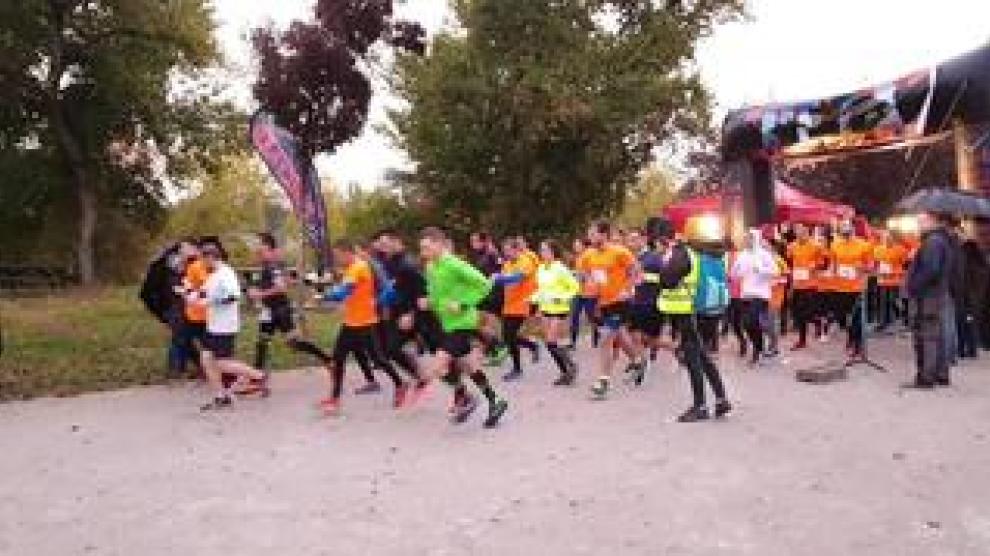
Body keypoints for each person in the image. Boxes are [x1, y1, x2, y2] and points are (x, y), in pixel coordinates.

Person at [420, 227, 509, 428]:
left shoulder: (455, 264)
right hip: (445, 324)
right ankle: (495, 402)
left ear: (439, 244)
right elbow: (435, 292)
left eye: (426, 248)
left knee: (438, 366)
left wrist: (462, 304)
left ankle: (465, 397)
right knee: (469, 366)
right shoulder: (430, 267)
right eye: (422, 249)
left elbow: (484, 285)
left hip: (462, 323)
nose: (423, 253)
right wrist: (430, 301)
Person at [653, 218, 732, 423]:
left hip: (688, 311)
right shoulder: (715, 252)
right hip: (708, 309)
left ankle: (700, 406)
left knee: (693, 357)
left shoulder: (685, 252)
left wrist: (664, 265)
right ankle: (721, 399)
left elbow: (668, 280)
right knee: (702, 355)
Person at [319, 239, 410, 415]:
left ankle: (400, 383)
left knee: (378, 359)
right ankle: (335, 398)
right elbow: (347, 292)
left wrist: (324, 295)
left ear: (347, 253)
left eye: (338, 255)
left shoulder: (358, 267)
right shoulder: (351, 268)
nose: (337, 259)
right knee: (338, 359)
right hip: (350, 323)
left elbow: (343, 292)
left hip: (365, 323)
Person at [248, 233, 336, 381]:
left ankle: (328, 360)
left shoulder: (273, 265)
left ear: (268, 246)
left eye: (260, 245)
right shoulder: (269, 264)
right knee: (262, 342)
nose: (257, 248)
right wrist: (254, 289)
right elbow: (285, 281)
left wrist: (260, 294)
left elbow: (281, 288)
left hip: (280, 310)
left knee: (294, 343)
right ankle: (257, 378)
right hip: (269, 311)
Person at [198, 241, 270, 410]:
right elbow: (203, 292)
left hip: (225, 326)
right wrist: (189, 294)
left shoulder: (226, 273)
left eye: (203, 260)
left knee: (221, 363)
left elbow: (233, 296)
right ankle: (221, 396)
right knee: (206, 358)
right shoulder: (214, 274)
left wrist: (210, 301)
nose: (202, 263)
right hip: (213, 325)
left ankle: (259, 376)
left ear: (211, 257)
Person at [583, 221, 637, 400]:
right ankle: (637, 361)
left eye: (592, 234)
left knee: (606, 338)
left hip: (620, 301)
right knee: (619, 336)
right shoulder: (589, 254)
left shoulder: (620, 252)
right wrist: (589, 283)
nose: (589, 237)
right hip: (604, 302)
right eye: (589, 234)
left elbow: (635, 272)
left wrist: (627, 290)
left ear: (603, 234)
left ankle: (603, 381)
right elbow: (587, 274)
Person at [904, 212, 954, 388]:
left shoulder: (933, 242)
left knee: (926, 337)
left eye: (921, 221)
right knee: (936, 335)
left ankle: (926, 377)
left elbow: (931, 270)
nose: (918, 225)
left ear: (932, 221)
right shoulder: (941, 240)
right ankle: (940, 374)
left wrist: (914, 286)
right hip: (935, 294)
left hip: (927, 296)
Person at [533, 240, 580, 385]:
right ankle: (565, 371)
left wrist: (562, 298)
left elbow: (575, 287)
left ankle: (571, 366)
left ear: (553, 252)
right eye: (541, 250)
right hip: (545, 308)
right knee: (549, 343)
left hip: (559, 309)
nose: (542, 252)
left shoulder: (560, 268)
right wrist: (535, 301)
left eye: (545, 250)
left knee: (552, 340)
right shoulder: (541, 268)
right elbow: (541, 289)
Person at [730, 229, 778, 365]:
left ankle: (758, 350)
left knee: (751, 321)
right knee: (747, 324)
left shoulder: (764, 254)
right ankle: (759, 347)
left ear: (755, 239)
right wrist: (735, 271)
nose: (746, 241)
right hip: (746, 294)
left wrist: (762, 270)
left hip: (761, 294)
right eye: (745, 238)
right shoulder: (742, 255)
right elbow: (735, 275)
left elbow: (775, 271)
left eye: (749, 238)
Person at [625, 228, 666, 384]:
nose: (632, 242)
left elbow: (663, 279)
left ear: (643, 239)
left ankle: (676, 348)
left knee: (649, 339)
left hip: (650, 304)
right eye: (630, 239)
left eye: (635, 239)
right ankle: (642, 365)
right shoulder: (631, 257)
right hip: (635, 303)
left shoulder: (653, 258)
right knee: (635, 336)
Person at [498, 237, 541, 381]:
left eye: (509, 250)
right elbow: (504, 282)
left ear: (516, 249)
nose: (506, 253)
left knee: (509, 335)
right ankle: (532, 346)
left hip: (522, 304)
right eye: (505, 251)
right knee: (507, 336)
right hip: (509, 305)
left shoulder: (526, 260)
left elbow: (517, 278)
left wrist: (499, 278)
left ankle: (517, 369)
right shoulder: (507, 264)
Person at [828, 221, 873, 358]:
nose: (845, 230)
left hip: (856, 287)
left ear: (853, 229)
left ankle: (856, 344)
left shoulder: (864, 245)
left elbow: (871, 266)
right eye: (842, 227)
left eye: (847, 227)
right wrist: (831, 272)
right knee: (842, 317)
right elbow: (833, 264)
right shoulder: (835, 244)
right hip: (840, 287)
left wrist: (863, 268)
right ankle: (850, 337)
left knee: (856, 318)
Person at [788, 224, 826, 350]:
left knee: (808, 312)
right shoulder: (792, 246)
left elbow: (823, 264)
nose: (799, 235)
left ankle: (818, 322)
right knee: (798, 313)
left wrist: (814, 266)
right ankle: (802, 340)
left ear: (807, 233)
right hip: (798, 284)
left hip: (811, 284)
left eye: (802, 233)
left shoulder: (816, 246)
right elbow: (789, 263)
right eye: (797, 233)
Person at [873, 230, 910, 330]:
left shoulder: (901, 250)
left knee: (895, 300)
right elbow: (876, 264)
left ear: (894, 238)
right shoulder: (877, 249)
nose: (887, 239)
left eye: (889, 237)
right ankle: (883, 322)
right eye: (885, 237)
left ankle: (904, 319)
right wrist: (876, 271)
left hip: (896, 279)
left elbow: (906, 264)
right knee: (883, 301)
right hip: (882, 279)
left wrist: (901, 273)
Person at [958, 239, 988, 359]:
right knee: (972, 324)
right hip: (979, 301)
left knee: (965, 323)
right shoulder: (983, 265)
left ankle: (965, 349)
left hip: (968, 299)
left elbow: (964, 283)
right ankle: (972, 349)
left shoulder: (968, 266)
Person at [569, 238, 601, 349]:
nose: (575, 247)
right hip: (578, 292)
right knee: (574, 315)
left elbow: (595, 272)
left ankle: (597, 337)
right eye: (574, 245)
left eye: (577, 245)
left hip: (590, 292)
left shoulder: (591, 255)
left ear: (583, 245)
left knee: (591, 316)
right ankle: (572, 342)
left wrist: (584, 276)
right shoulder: (577, 258)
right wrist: (574, 275)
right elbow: (579, 273)